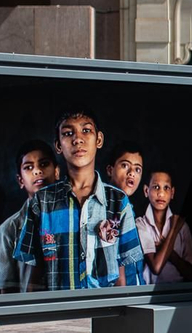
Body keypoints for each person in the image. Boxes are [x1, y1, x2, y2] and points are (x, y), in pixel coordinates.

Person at [14, 108, 143, 289]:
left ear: (99, 140)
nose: (77, 139)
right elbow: (33, 279)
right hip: (57, 314)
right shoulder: (42, 203)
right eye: (68, 133)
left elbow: (122, 279)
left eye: (86, 130)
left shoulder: (118, 202)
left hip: (104, 312)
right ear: (58, 145)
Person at [0, 139, 59, 295]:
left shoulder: (75, 216)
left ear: (56, 172)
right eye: (29, 167)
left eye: (43, 164)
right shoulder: (8, 230)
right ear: (20, 180)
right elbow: (7, 291)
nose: (37, 171)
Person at [136, 170, 192, 284]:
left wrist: (171, 255)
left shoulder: (183, 227)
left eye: (166, 188)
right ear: (146, 190)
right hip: (147, 293)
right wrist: (173, 229)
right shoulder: (140, 224)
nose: (161, 194)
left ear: (172, 193)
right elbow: (156, 268)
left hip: (178, 292)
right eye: (156, 187)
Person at [103, 141, 146, 205]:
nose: (132, 173)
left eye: (137, 169)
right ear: (110, 170)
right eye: (124, 165)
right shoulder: (97, 200)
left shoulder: (128, 209)